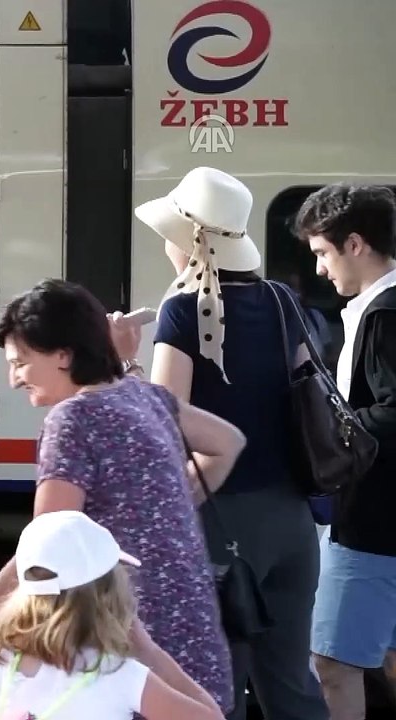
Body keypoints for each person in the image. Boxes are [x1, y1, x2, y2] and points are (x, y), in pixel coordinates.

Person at [0, 278, 242, 713]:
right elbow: (229, 442)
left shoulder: (72, 420)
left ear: (63, 355)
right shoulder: (145, 396)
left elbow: (46, 547)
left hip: (124, 641)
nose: (13, 379)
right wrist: (169, 503)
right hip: (192, 641)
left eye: (21, 363)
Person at [138, 167, 329, 720]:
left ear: (191, 242)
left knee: (215, 687)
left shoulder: (181, 310)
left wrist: (123, 366)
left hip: (222, 521)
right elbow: (306, 394)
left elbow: (165, 422)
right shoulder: (282, 301)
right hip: (292, 520)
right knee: (291, 683)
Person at [0, 511, 223, 720]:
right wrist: (149, 650)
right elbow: (210, 717)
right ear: (109, 597)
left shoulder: (2, 669)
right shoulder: (118, 674)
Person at [294, 183, 396, 720]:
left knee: (332, 663)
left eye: (322, 253)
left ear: (354, 244)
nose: (319, 269)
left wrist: (336, 434)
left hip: (371, 522)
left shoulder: (384, 315)